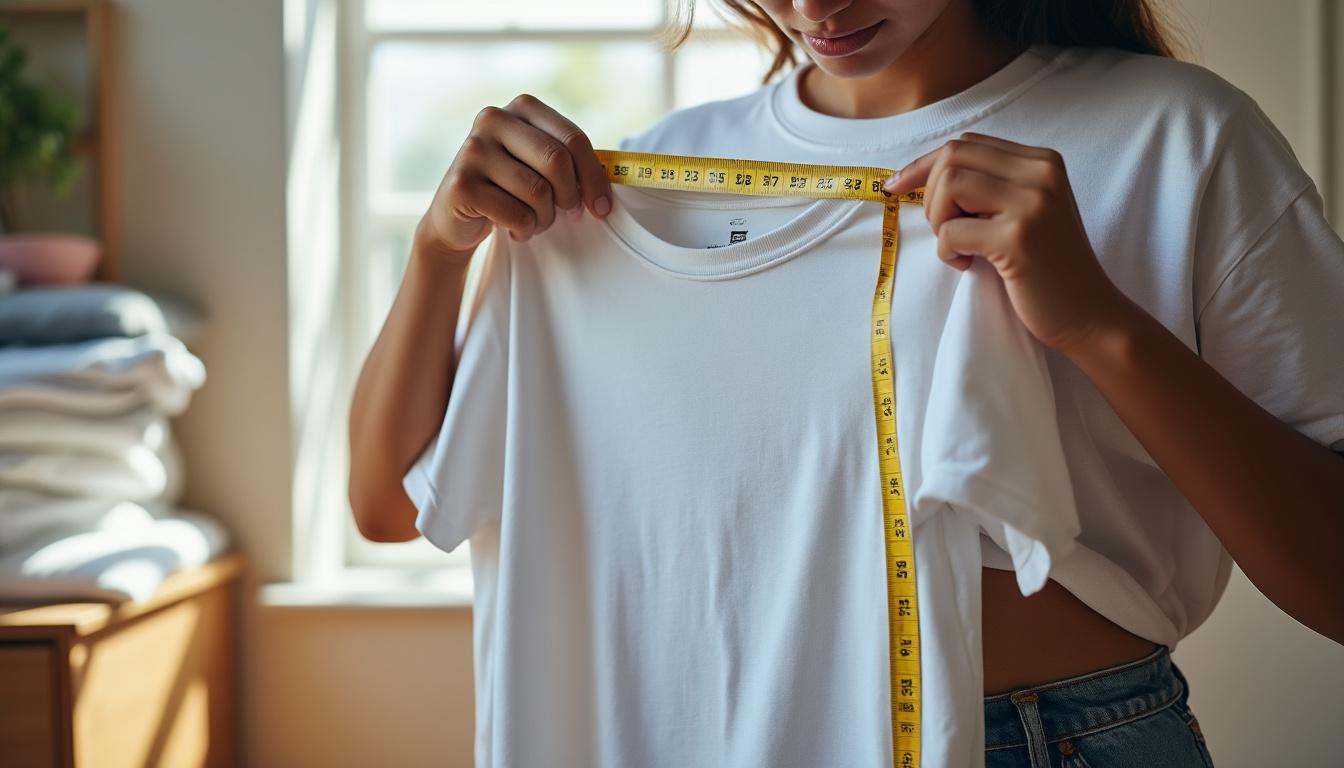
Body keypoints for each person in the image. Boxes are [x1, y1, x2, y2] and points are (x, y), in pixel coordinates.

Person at [347, 1, 1344, 765]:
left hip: (1056, 739)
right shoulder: (645, 182)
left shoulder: (1181, 137)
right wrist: (441, 253)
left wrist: (1098, 323)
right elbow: (391, 504)